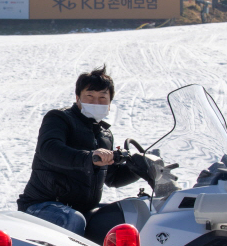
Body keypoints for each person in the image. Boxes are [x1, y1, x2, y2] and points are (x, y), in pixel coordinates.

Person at [16, 66, 138, 236]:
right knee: (72, 220)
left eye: (102, 98)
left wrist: (138, 168)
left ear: (110, 103)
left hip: (81, 209)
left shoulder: (105, 135)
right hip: (42, 205)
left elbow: (112, 178)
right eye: (90, 96)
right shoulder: (60, 118)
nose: (96, 103)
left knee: (121, 216)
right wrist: (90, 158)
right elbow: (49, 149)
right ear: (78, 98)